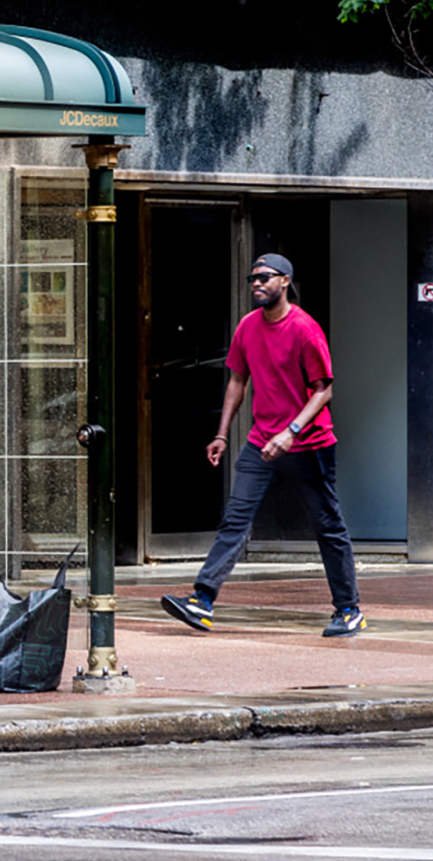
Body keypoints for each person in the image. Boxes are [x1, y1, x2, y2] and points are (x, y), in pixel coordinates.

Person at [161, 253, 365, 639]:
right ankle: (202, 600)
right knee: (234, 521)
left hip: (308, 444)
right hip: (260, 443)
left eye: (265, 277)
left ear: (285, 281)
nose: (256, 283)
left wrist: (291, 432)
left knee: (327, 526)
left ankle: (349, 609)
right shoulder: (248, 327)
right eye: (252, 278)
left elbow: (324, 390)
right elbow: (238, 381)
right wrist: (222, 433)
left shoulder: (305, 329)